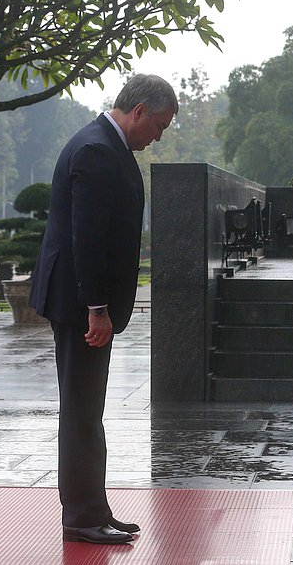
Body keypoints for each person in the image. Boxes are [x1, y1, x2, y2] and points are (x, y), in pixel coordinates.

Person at [29, 74, 178, 544]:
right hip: (79, 304)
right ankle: (81, 518)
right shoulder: (95, 150)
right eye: (157, 126)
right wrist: (97, 308)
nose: (158, 136)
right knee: (80, 410)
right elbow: (87, 240)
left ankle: (94, 508)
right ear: (138, 112)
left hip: (83, 302)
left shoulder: (105, 145)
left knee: (87, 409)